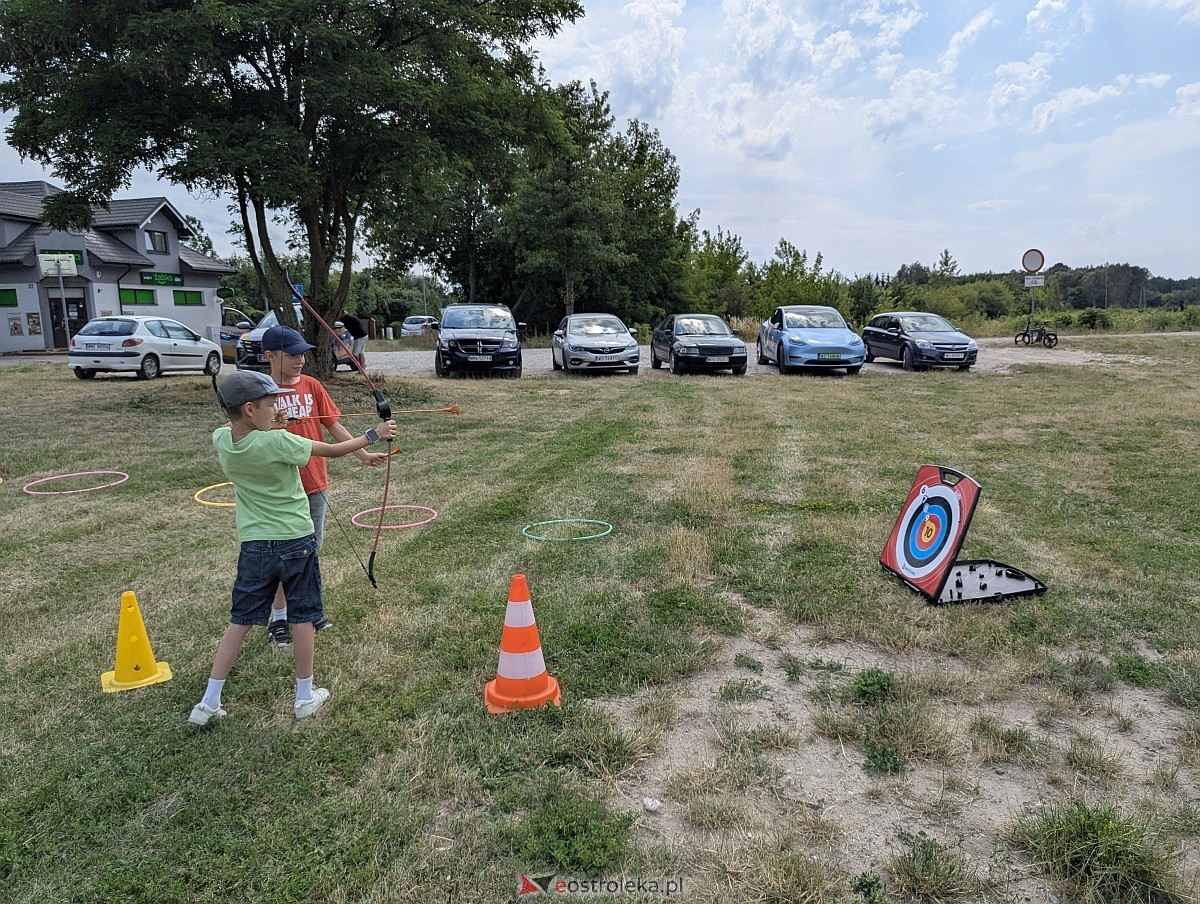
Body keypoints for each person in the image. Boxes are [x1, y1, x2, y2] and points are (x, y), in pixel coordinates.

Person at [189, 370, 398, 725]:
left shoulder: (222, 438)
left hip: (254, 544)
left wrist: (272, 424)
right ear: (251, 409)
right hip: (294, 540)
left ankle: (208, 701)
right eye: (271, 405)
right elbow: (331, 450)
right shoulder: (277, 443)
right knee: (303, 617)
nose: (278, 409)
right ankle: (304, 697)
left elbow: (241, 432)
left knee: (239, 620)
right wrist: (373, 435)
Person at [261, 325, 388, 647]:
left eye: (302, 353)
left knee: (310, 550)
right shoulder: (260, 392)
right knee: (282, 555)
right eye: (292, 355)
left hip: (315, 483)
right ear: (269, 356)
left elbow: (332, 424)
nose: (300, 360)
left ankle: (307, 610)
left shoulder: (312, 385)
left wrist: (361, 454)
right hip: (279, 488)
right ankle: (277, 619)